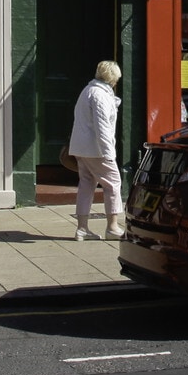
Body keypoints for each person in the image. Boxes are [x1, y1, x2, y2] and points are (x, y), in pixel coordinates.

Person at [66, 60, 124, 242]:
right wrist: (109, 153)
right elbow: (103, 127)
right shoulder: (100, 95)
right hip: (96, 150)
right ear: (112, 77)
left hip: (81, 148)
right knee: (113, 183)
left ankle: (82, 229)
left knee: (86, 184)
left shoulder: (88, 90)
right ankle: (113, 227)